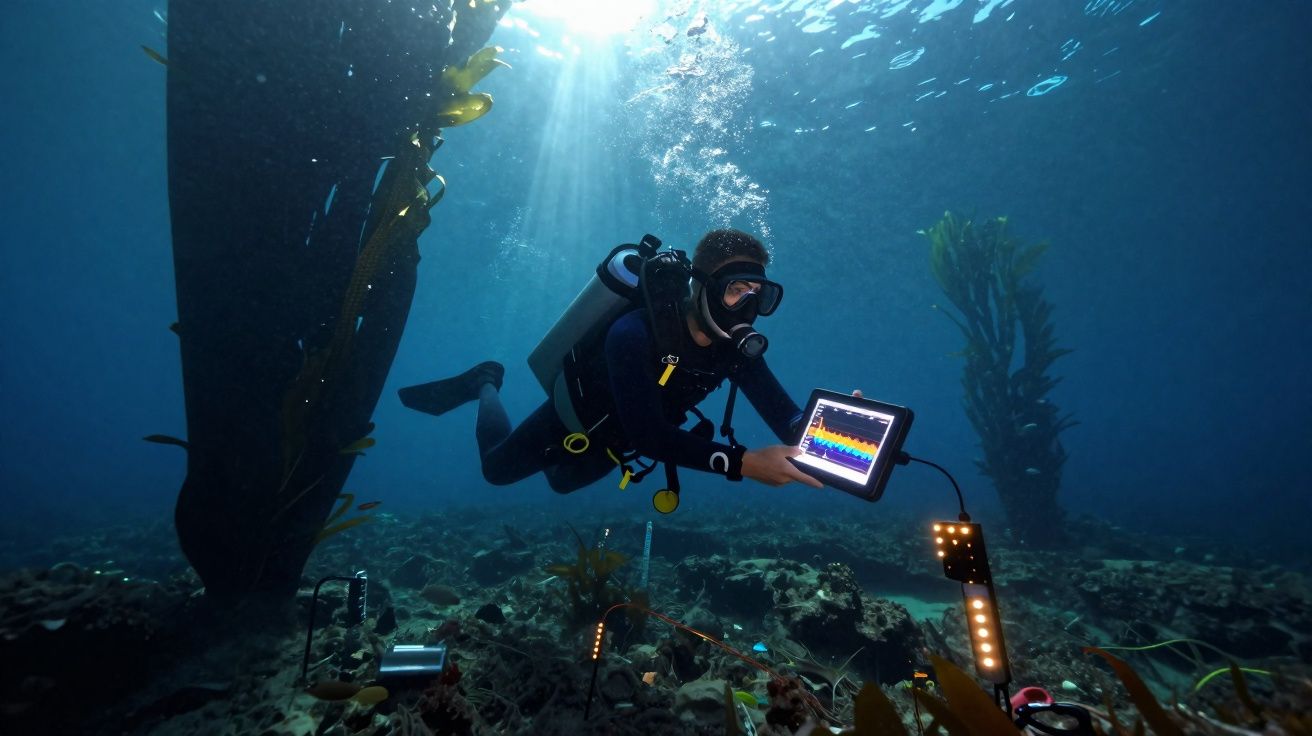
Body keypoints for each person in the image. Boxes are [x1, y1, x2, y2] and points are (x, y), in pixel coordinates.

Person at [400, 228, 827, 494]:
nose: (748, 309)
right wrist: (745, 464)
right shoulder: (636, 331)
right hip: (576, 417)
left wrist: (828, 429)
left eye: (760, 295)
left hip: (619, 441)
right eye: (737, 291)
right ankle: (485, 381)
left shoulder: (736, 351)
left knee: (563, 483)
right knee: (496, 470)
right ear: (702, 286)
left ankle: (527, 428)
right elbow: (650, 436)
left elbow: (786, 419)